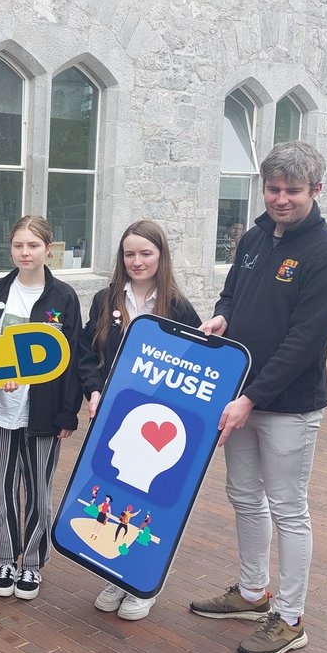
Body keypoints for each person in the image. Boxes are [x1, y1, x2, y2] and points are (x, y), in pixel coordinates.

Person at [190, 141, 327, 653]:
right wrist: (220, 316)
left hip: (288, 406)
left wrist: (254, 396)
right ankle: (251, 591)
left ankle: (290, 617)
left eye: (293, 191)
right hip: (243, 397)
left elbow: (305, 341)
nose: (281, 199)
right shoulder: (255, 236)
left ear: (316, 191)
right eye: (274, 189)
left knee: (288, 508)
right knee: (243, 496)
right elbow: (233, 294)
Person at [82, 220, 199, 622]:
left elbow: (197, 365)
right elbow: (88, 354)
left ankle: (142, 581)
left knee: (149, 500)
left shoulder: (178, 307)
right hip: (114, 418)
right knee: (115, 493)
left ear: (160, 257)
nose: (137, 261)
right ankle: (116, 571)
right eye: (129, 253)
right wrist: (93, 390)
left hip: (159, 425)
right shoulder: (105, 300)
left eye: (145, 253)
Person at [0, 216, 82, 601]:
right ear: (11, 249)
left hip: (43, 411)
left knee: (39, 490)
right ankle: (5, 557)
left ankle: (33, 563)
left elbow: (72, 358)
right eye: (19, 245)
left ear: (48, 250)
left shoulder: (64, 297)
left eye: (33, 246)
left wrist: (68, 412)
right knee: (1, 490)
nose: (25, 252)